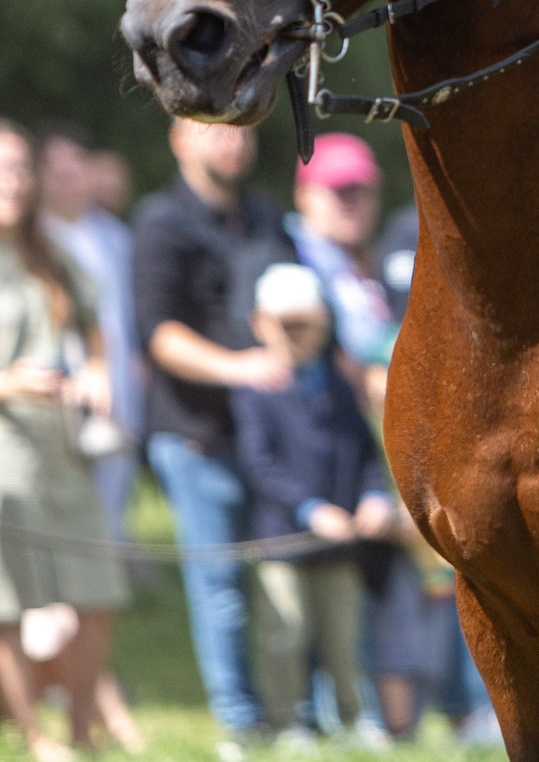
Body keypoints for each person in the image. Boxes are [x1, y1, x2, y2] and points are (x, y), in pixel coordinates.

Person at [0, 119, 130, 761]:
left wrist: (97, 374)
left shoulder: (54, 253)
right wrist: (6, 383)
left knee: (96, 591)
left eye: (19, 168)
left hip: (63, 449)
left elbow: (97, 328)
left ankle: (79, 729)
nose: (10, 182)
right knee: (7, 600)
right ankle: (38, 738)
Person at [132, 118, 295, 740]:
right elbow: (158, 334)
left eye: (242, 129)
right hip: (194, 433)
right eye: (213, 129)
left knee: (285, 579)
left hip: (271, 435)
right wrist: (239, 369)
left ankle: (297, 714)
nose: (232, 140)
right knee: (221, 585)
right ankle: (240, 724)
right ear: (178, 138)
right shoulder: (160, 224)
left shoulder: (266, 219)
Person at [235, 265, 399, 743]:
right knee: (285, 635)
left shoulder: (340, 386)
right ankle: (289, 722)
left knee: (344, 637)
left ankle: (354, 718)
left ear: (322, 323)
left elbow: (364, 453)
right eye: (284, 325)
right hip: (283, 538)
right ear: (260, 324)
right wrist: (310, 508)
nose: (295, 336)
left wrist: (373, 498)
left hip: (343, 540)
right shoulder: (255, 390)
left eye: (303, 324)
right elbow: (259, 464)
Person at [39, 125, 140, 538]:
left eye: (75, 161)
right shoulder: (33, 238)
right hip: (60, 393)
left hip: (120, 391)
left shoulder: (116, 238)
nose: (66, 172)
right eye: (53, 163)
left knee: (112, 503)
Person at [288, 137, 397, 380]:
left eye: (360, 190)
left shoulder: (376, 260)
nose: (351, 204)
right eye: (338, 191)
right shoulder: (288, 254)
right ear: (303, 194)